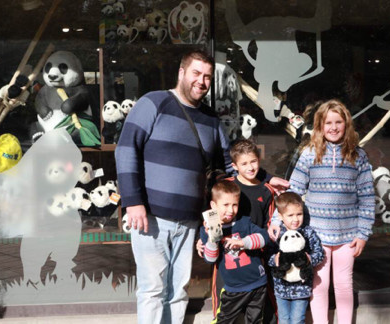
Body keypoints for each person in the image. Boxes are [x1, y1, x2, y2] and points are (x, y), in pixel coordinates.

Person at [115, 49, 289, 324]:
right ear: (182, 73)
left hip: (189, 221)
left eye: (207, 76)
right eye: (196, 73)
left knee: (178, 291)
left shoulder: (210, 119)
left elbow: (229, 164)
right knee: (152, 290)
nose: (202, 81)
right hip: (151, 216)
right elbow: (126, 150)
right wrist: (132, 201)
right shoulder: (153, 103)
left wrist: (264, 178)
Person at [268, 99, 375, 324]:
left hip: (348, 235)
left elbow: (366, 197)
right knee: (318, 284)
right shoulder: (309, 153)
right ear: (319, 126)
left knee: (344, 284)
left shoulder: (358, 156)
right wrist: (278, 219)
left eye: (338, 122)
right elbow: (294, 191)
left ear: (346, 125)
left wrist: (363, 233)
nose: (334, 127)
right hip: (317, 235)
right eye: (328, 123)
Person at [198, 139, 277, 321]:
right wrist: (203, 237)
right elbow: (208, 213)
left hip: (254, 260)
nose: (250, 167)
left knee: (258, 314)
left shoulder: (267, 191)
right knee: (225, 313)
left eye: (253, 162)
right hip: (225, 263)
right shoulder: (226, 185)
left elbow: (269, 228)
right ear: (235, 166)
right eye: (244, 163)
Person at [200, 180, 270, 323]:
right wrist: (213, 238)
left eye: (234, 205)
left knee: (256, 320)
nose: (231, 210)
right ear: (213, 206)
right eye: (225, 205)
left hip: (257, 284)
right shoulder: (206, 230)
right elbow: (210, 259)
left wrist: (243, 242)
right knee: (223, 320)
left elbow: (264, 238)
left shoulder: (244, 222)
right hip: (232, 289)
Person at [268, 192, 324, 324]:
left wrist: (309, 259)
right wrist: (275, 259)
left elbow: (319, 253)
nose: (295, 219)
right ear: (280, 216)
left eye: (299, 214)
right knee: (283, 319)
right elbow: (268, 255)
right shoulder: (276, 233)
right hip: (281, 287)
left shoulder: (307, 232)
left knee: (297, 320)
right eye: (290, 215)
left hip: (301, 288)